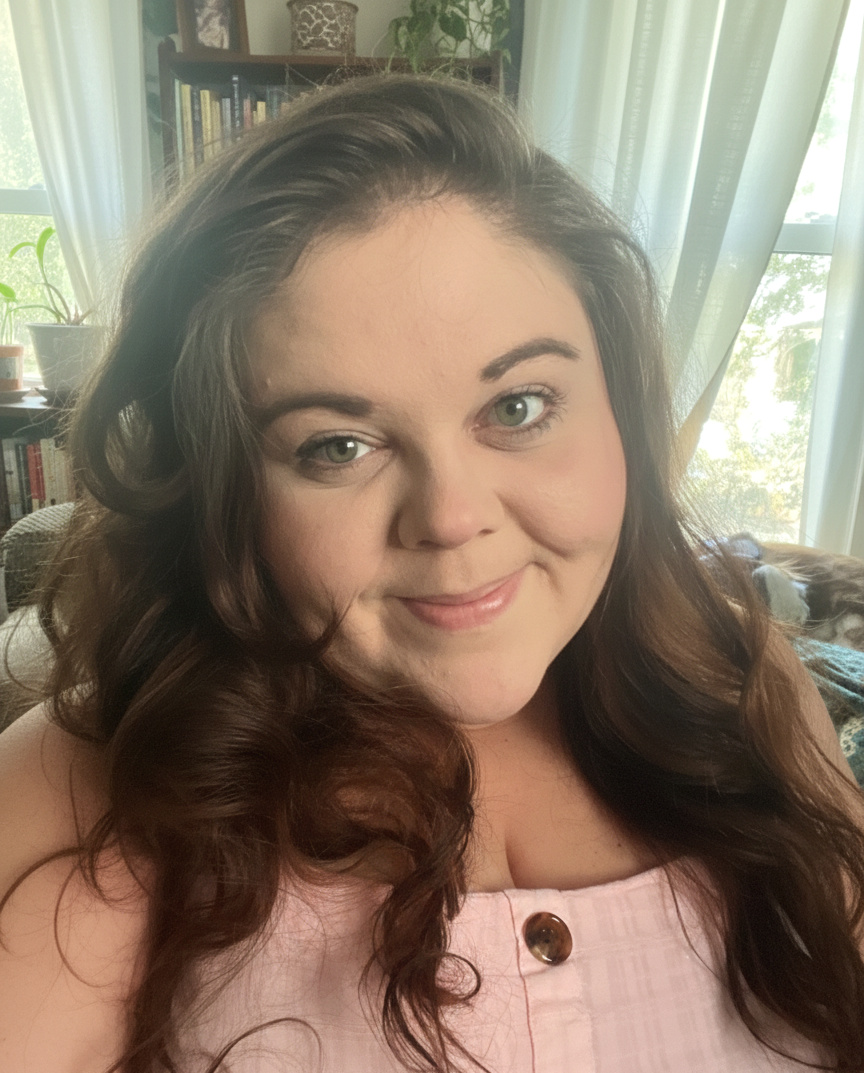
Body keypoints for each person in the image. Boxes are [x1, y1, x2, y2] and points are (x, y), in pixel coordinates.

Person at [1, 74, 863, 1073]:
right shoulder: (94, 778)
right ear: (224, 490)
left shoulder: (734, 675)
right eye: (337, 445)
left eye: (519, 407)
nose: (453, 519)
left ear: (620, 403)